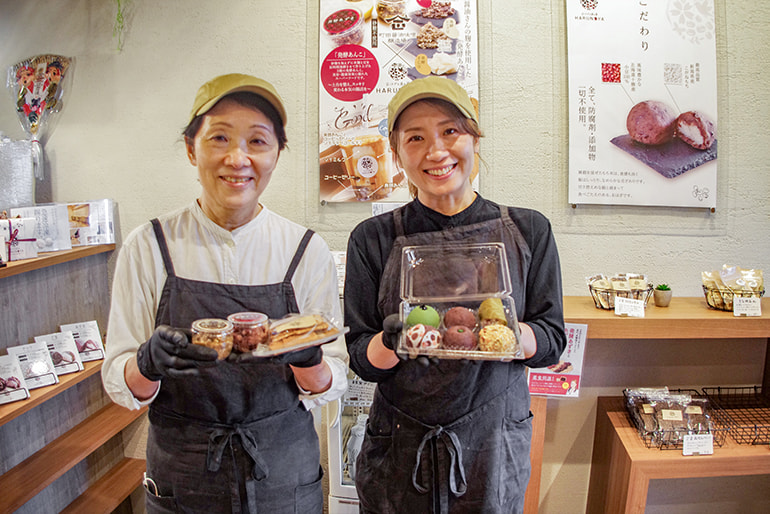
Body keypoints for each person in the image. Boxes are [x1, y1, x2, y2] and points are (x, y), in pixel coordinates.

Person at [102, 73, 348, 513]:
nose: (238, 158)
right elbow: (120, 382)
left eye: (258, 141)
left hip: (283, 471)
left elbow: (332, 380)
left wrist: (309, 359)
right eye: (219, 137)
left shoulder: (305, 251)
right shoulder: (150, 246)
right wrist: (146, 364)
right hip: (183, 473)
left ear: (277, 154)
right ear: (191, 148)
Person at [344, 76, 566, 513]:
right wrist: (392, 342)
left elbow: (551, 340)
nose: (437, 151)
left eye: (451, 131)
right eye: (416, 138)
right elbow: (360, 359)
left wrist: (501, 332)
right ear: (395, 153)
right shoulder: (372, 238)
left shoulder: (528, 230)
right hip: (401, 448)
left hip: (493, 445)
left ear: (474, 138)